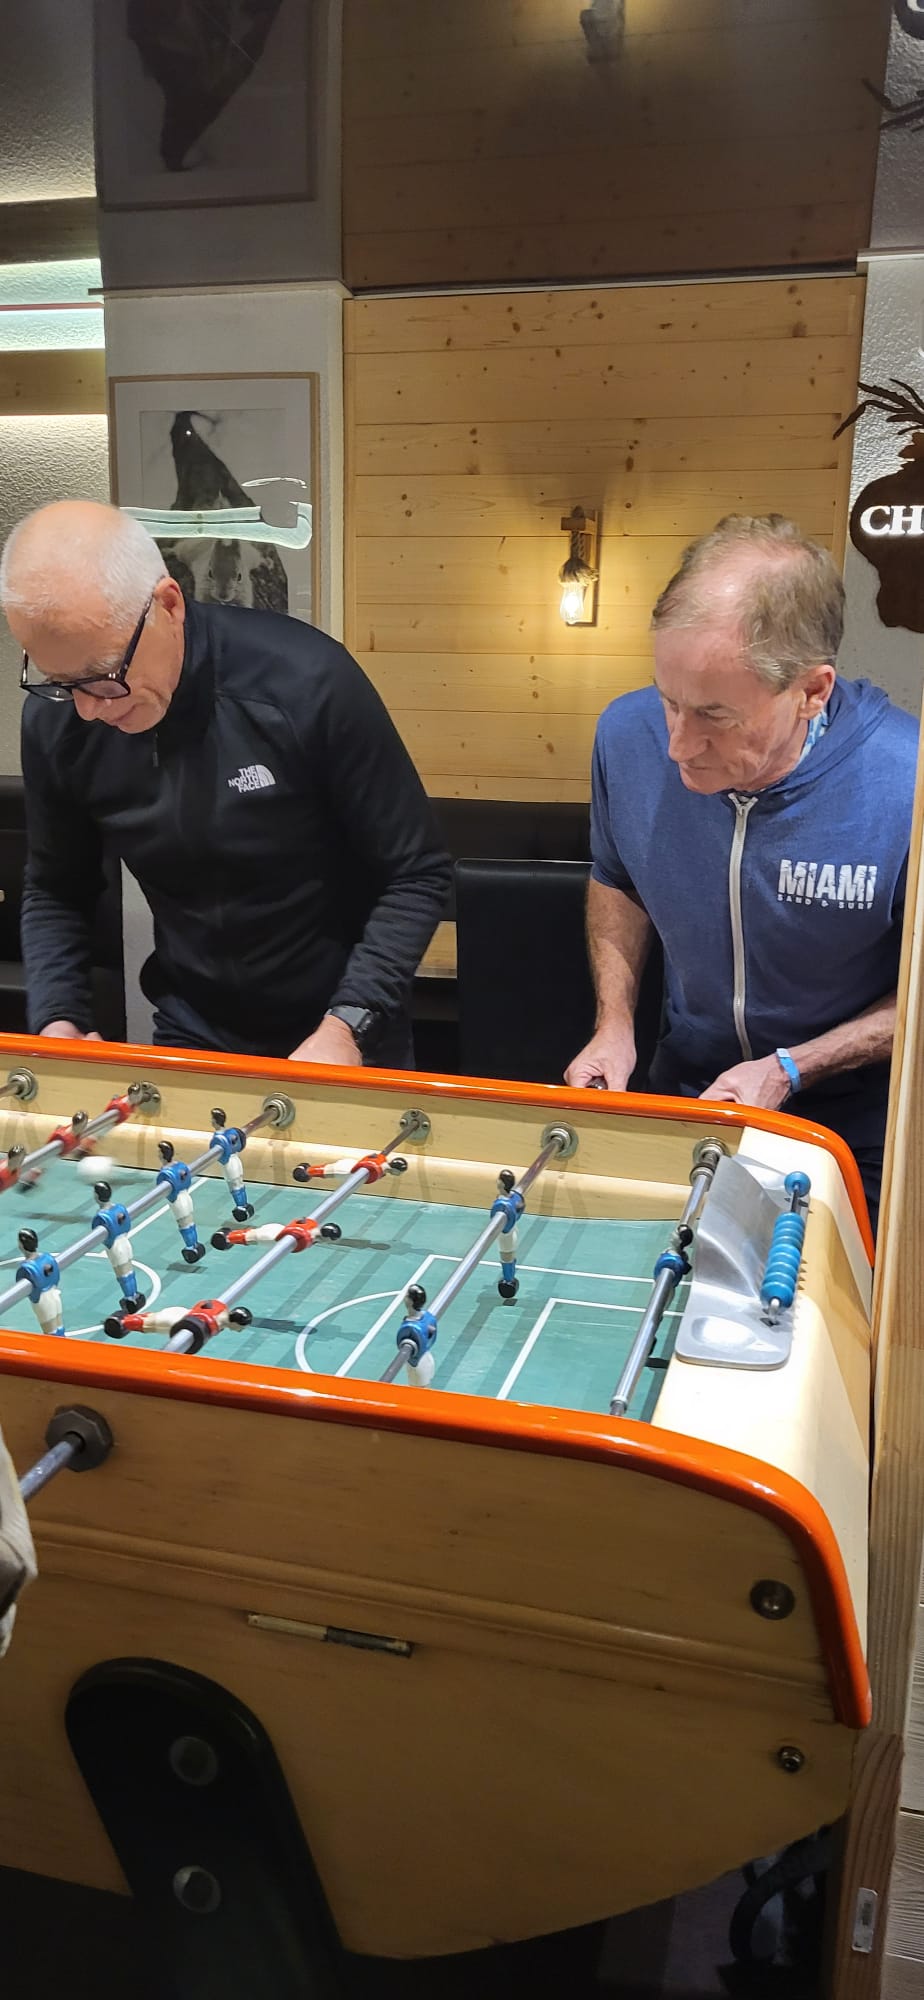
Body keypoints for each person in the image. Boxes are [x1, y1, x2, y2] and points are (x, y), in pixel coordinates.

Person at [0, 501, 451, 1066]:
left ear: (168, 605)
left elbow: (416, 874)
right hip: (193, 1028)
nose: (89, 709)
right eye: (62, 682)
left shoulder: (307, 683)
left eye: (106, 677)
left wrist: (348, 1025)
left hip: (346, 1024)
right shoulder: (58, 721)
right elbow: (57, 886)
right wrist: (57, 1021)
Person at [566, 514, 919, 1232]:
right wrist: (614, 1023)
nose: (676, 744)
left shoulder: (906, 780)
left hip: (856, 1123)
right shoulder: (624, 736)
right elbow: (618, 878)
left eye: (714, 715)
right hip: (690, 1091)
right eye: (668, 699)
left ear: (812, 691)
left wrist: (792, 1067)